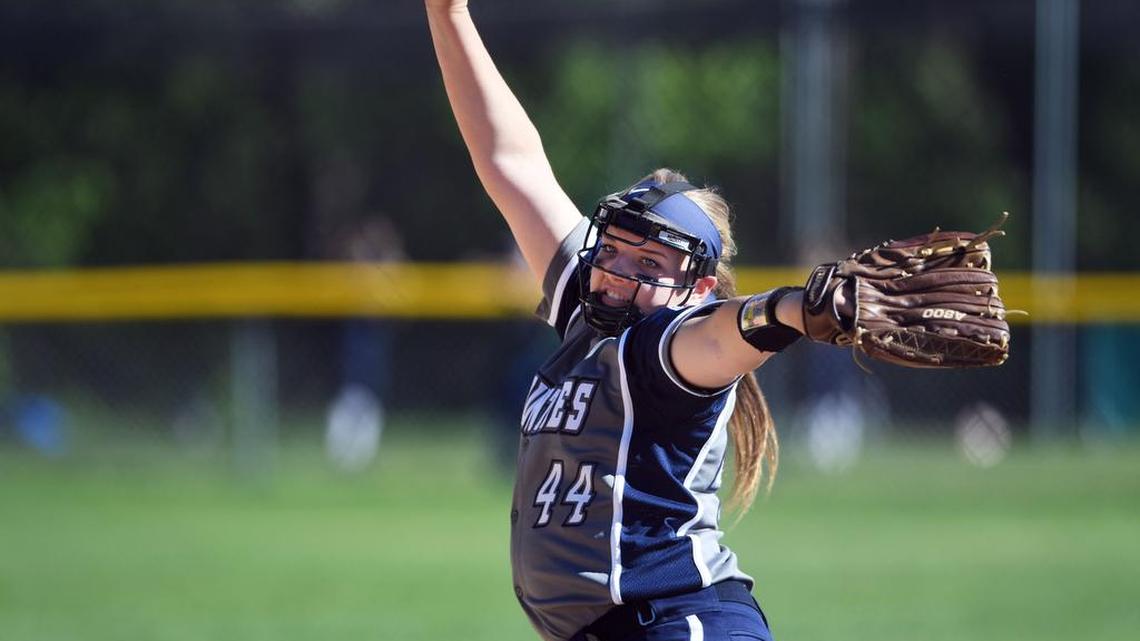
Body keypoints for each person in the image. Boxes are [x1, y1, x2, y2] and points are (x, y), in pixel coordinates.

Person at [425, 2, 819, 640]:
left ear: (697, 286)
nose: (615, 271)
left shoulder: (662, 348)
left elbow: (729, 335)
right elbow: (509, 160)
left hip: (678, 624)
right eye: (609, 250)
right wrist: (449, 12)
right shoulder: (588, 319)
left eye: (648, 261)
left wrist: (800, 308)